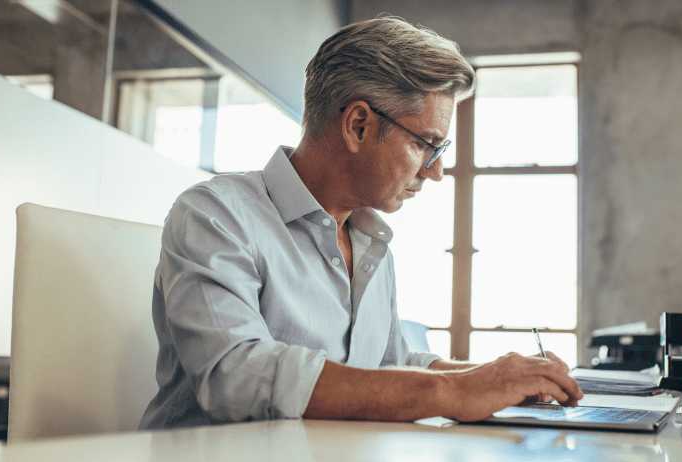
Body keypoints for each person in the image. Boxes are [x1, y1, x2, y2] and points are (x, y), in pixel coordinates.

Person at [139, 16, 582, 430]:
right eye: (426, 144)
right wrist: (452, 390)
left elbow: (387, 364)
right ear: (358, 125)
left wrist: (499, 377)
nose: (435, 171)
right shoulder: (215, 216)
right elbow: (236, 375)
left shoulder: (370, 241)